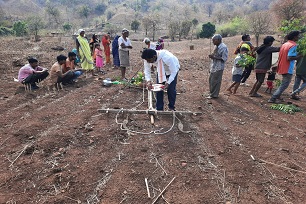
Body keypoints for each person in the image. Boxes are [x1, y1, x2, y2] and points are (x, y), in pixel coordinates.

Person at [268, 30, 302, 103]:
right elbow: (289, 58)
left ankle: (277, 97)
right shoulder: (294, 45)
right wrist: (299, 56)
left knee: (284, 83)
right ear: (294, 37)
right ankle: (273, 98)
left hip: (282, 66)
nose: (299, 37)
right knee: (285, 85)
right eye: (298, 36)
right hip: (287, 67)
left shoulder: (285, 44)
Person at [207, 34, 228, 99]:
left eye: (214, 40)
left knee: (215, 81)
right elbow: (215, 54)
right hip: (214, 66)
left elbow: (224, 58)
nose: (213, 42)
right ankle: (212, 93)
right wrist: (212, 56)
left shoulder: (223, 47)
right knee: (211, 80)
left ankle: (214, 95)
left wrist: (214, 57)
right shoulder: (217, 46)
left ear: (218, 40)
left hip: (219, 67)